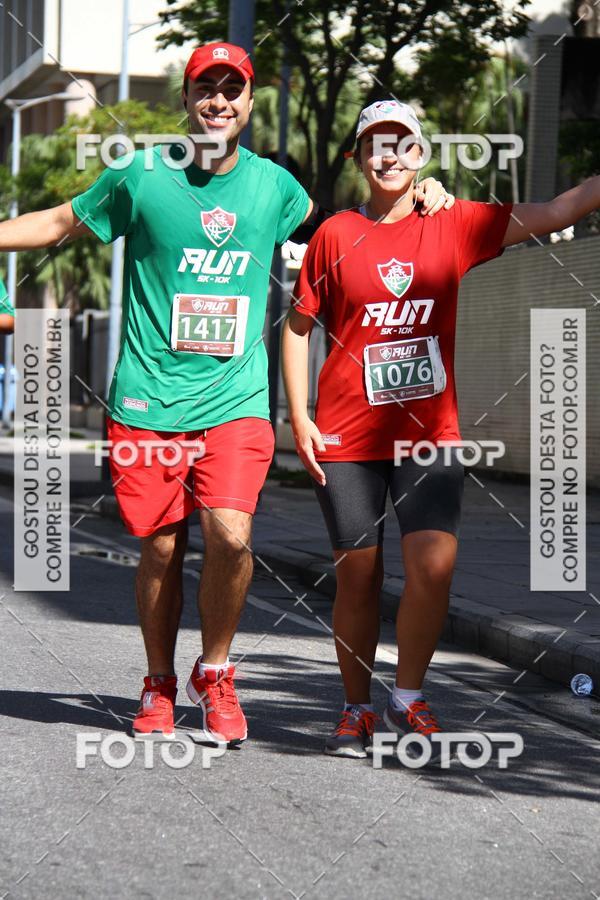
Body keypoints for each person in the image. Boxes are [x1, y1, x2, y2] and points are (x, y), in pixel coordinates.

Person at [0, 48, 451, 747]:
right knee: (158, 550)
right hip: (147, 400)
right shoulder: (141, 176)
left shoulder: (277, 189)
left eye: (232, 89)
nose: (219, 100)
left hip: (237, 402)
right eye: (205, 88)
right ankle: (157, 681)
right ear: (187, 100)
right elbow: (60, 223)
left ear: (248, 103)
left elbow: (351, 233)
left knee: (232, 536)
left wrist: (427, 195)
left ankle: (214, 671)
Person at [282, 98, 600, 759]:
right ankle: (355, 706)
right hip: (346, 437)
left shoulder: (454, 223)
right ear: (358, 159)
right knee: (359, 577)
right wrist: (299, 416)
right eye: (374, 143)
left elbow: (564, 209)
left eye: (402, 143)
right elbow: (297, 326)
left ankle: (409, 696)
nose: (388, 154)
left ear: (421, 154)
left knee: (434, 568)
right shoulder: (336, 234)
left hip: (428, 434)